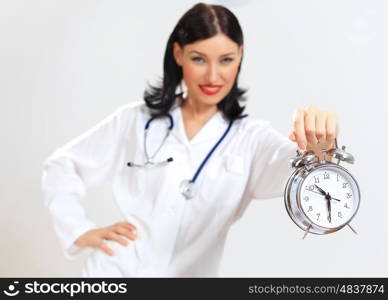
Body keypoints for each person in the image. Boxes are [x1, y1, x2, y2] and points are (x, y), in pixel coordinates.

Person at [41, 2, 339, 277]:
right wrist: (78, 230)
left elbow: (303, 180)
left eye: (226, 60)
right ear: (178, 54)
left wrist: (322, 149)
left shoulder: (251, 140)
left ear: (240, 58)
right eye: (199, 59)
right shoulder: (135, 121)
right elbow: (61, 166)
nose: (213, 76)